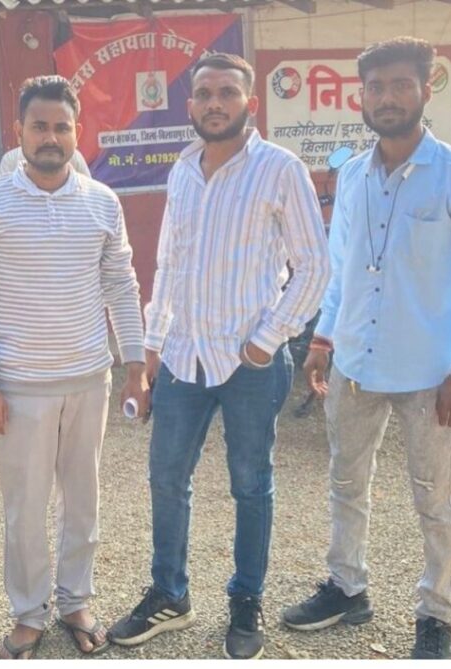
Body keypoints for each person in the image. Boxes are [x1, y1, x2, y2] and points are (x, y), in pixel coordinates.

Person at [281, 37, 451, 660]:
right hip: (355, 365)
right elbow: (342, 270)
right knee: (345, 482)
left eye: (400, 85)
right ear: (362, 96)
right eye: (376, 87)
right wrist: (323, 338)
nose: (387, 98)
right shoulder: (354, 175)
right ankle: (347, 588)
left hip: (432, 374)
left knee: (435, 498)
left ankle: (437, 614)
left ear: (426, 88)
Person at [108, 52, 329, 660]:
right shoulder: (183, 170)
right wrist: (152, 349)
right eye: (204, 93)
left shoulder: (279, 169)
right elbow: (169, 266)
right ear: (191, 105)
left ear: (249, 104)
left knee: (250, 484)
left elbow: (315, 265)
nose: (214, 103)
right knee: (166, 478)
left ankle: (246, 598)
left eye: (227, 92)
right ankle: (170, 594)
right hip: (184, 357)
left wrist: (268, 338)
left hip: (249, 364)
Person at [0, 75, 148, 660]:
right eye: (39, 126)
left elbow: (121, 285)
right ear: (18, 131)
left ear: (77, 132)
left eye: (61, 127)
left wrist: (135, 363)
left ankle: (75, 602)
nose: (50, 137)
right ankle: (28, 612)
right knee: (24, 508)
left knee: (82, 501)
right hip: (19, 388)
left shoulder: (102, 201)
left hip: (88, 379)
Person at [0, 145, 91, 178]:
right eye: (39, 128)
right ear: (20, 132)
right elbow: (2, 197)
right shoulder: (10, 159)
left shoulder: (74, 156)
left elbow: (88, 192)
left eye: (60, 129)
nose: (50, 138)